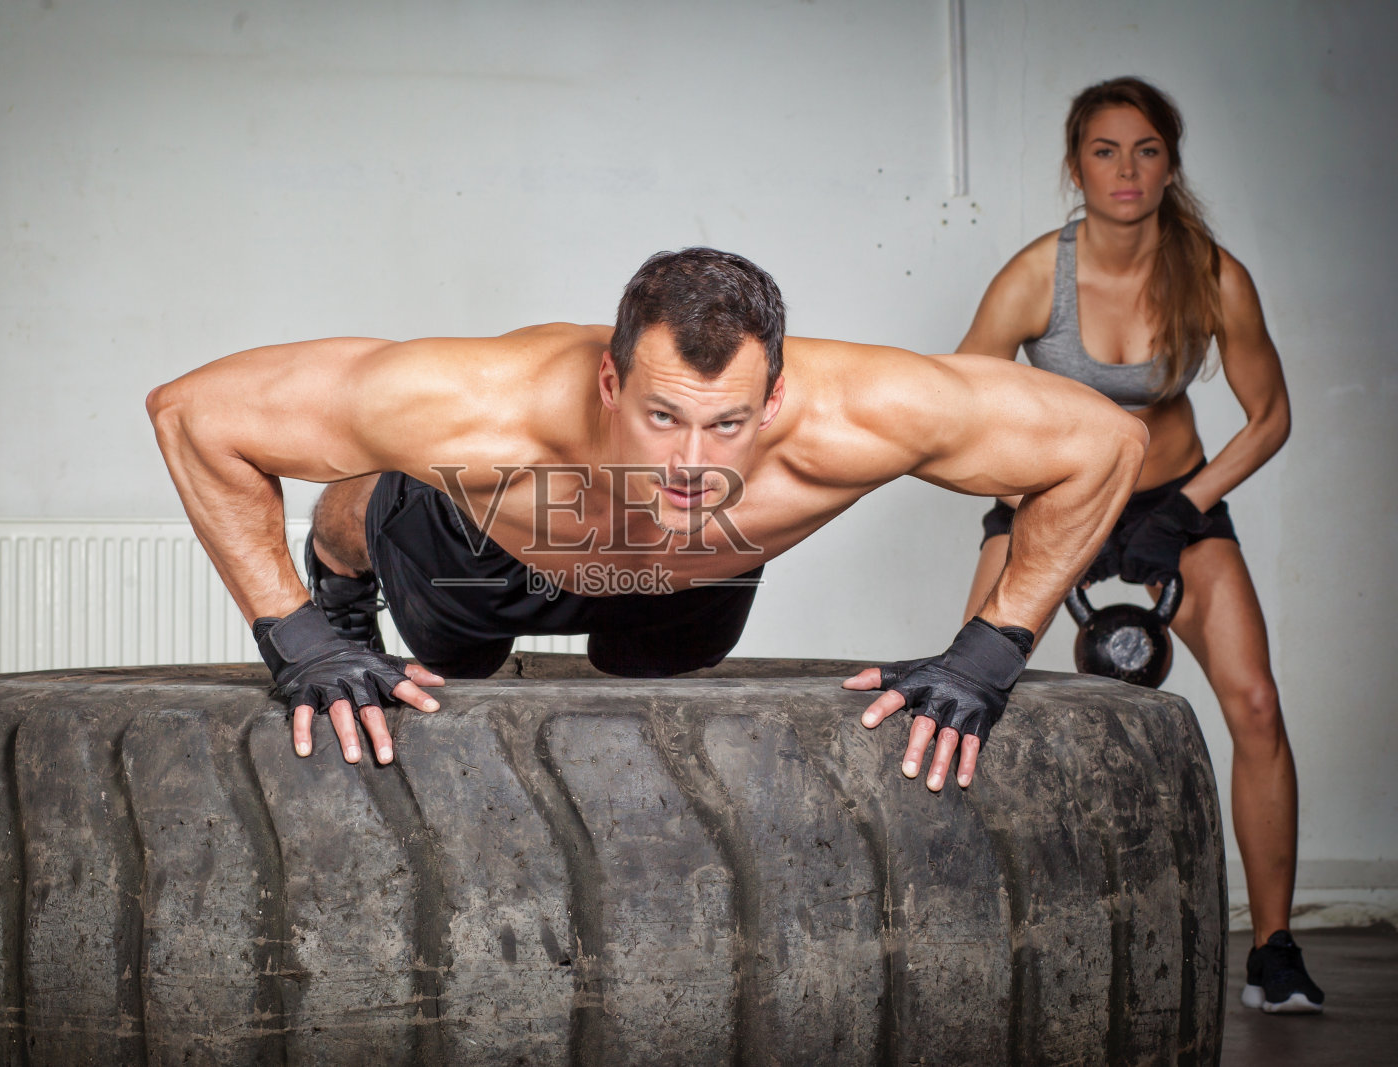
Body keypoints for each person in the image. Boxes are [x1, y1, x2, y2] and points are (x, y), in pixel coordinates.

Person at [148, 247, 1146, 798]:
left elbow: (1105, 443)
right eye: (662, 417)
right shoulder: (478, 401)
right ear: (609, 380)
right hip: (487, 557)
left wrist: (989, 653)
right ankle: (343, 566)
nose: (692, 463)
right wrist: (299, 638)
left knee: (648, 671)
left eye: (727, 425)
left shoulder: (862, 415)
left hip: (689, 590)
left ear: (775, 398)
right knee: (417, 575)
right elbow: (195, 412)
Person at [953, 77, 1318, 1014]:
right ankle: (971, 933)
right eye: (1105, 150)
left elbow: (1270, 416)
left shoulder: (1212, 273)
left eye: (1147, 149)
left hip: (1173, 503)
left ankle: (1274, 950)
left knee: (1257, 704)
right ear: (1076, 166)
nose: (1127, 169)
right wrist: (1031, 502)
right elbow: (956, 408)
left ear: (1171, 165)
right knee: (970, 699)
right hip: (1058, 502)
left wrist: (1186, 506)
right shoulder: (1035, 276)